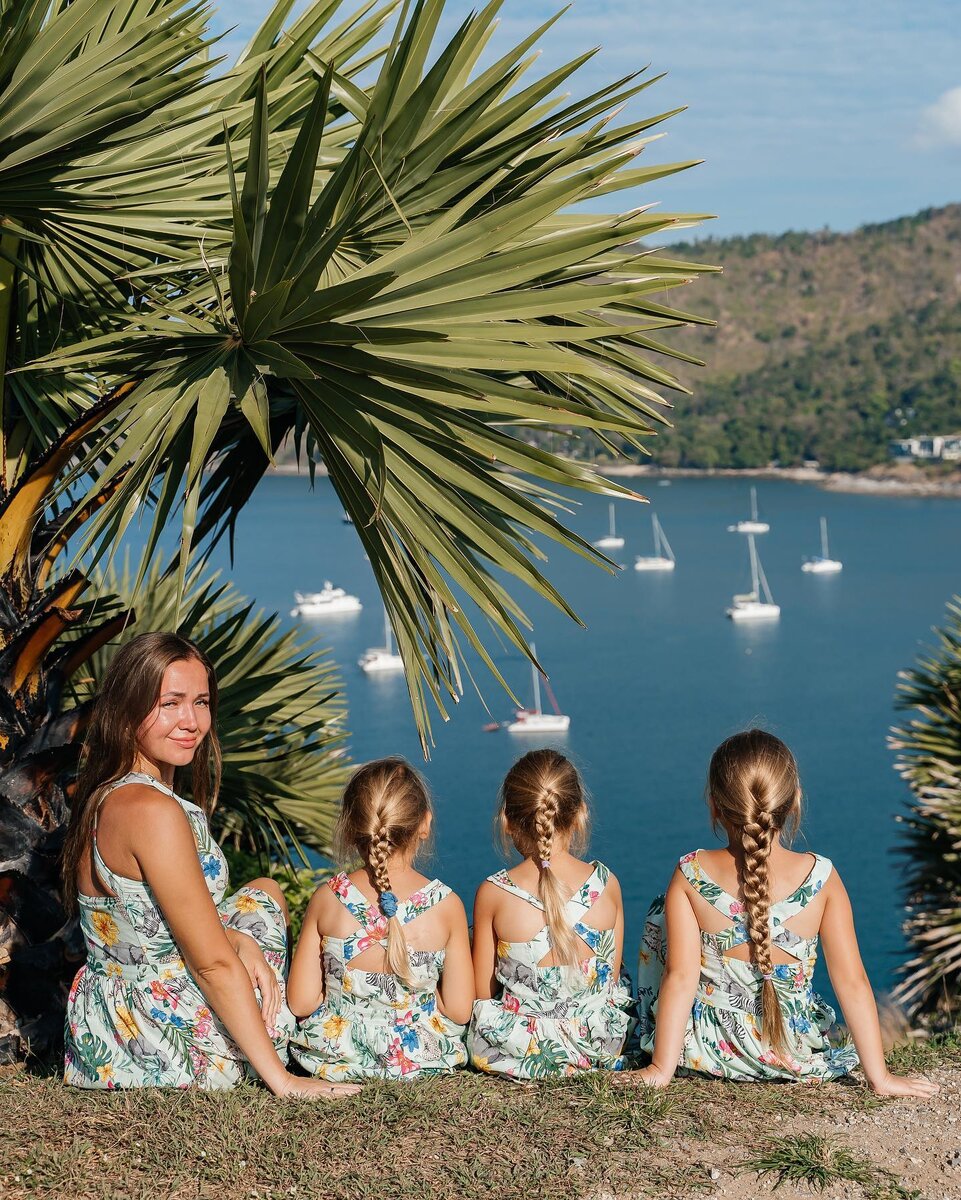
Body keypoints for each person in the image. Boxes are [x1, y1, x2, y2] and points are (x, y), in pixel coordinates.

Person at [62, 632, 358, 1098]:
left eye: (200, 702)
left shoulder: (108, 793)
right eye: (170, 703)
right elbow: (212, 966)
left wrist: (238, 938)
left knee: (264, 889)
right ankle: (264, 1050)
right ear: (126, 708)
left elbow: (153, 921)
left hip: (107, 1028)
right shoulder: (152, 812)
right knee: (262, 907)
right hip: (164, 1040)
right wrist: (283, 1080)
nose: (191, 722)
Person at [636, 729, 938, 1096]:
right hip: (792, 1051)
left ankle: (663, 1056)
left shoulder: (691, 873)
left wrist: (661, 1068)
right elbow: (852, 982)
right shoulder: (821, 878)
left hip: (707, 1052)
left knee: (660, 912)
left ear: (714, 805)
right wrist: (881, 1077)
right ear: (794, 801)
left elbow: (681, 977)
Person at [288, 758, 472, 1080]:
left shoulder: (327, 899)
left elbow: (302, 1002)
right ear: (425, 824)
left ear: (350, 829)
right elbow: (458, 1010)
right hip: (419, 1059)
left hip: (337, 1056)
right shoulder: (447, 906)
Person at [468, 749, 633, 1078]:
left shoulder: (494, 893)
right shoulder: (606, 885)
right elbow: (610, 983)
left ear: (507, 821)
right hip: (599, 1045)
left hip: (519, 1049)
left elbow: (482, 994)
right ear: (580, 814)